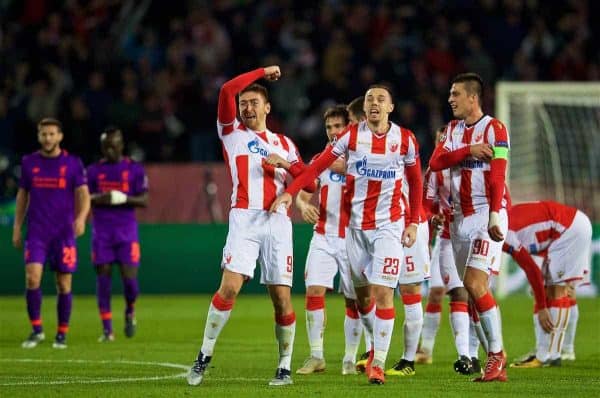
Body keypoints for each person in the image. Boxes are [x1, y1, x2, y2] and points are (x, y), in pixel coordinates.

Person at [271, 85, 423, 385]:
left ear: (391, 107)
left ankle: (377, 362)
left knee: (382, 293)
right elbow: (316, 166)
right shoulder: (350, 137)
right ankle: (366, 349)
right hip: (354, 231)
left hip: (388, 227)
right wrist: (291, 193)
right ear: (363, 110)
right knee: (362, 297)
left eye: (381, 99)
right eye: (369, 100)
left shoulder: (405, 139)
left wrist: (414, 221)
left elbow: (416, 181)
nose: (375, 103)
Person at [187, 66, 309, 387]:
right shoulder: (232, 134)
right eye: (244, 104)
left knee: (281, 298)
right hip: (244, 217)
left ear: (267, 107)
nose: (248, 108)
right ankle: (204, 355)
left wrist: (286, 171)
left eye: (254, 102)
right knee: (229, 287)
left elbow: (309, 180)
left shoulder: (284, 143)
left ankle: (284, 367)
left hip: (278, 223)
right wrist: (262, 72)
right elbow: (227, 89)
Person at [429, 72, 510, 382]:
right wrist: (467, 152)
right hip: (459, 218)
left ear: (473, 98)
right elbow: (436, 163)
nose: (450, 99)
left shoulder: (495, 129)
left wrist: (494, 215)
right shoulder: (451, 130)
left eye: (455, 94)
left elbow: (499, 174)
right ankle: (495, 361)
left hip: (486, 216)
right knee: (473, 292)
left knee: (475, 283)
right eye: (450, 93)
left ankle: (496, 355)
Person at [293, 105, 361, 376]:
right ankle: (316, 355)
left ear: (348, 128)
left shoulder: (361, 157)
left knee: (353, 301)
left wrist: (333, 162)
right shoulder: (319, 159)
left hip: (352, 239)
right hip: (322, 236)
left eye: (338, 127)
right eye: (329, 128)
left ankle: (349, 357)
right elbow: (303, 191)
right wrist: (301, 205)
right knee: (313, 292)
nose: (333, 132)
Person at [14, 117, 90, 349]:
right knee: (32, 278)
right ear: (39, 136)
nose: (47, 138)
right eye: (43, 134)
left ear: (60, 136)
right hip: (36, 232)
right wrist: (17, 226)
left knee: (64, 284)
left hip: (63, 233)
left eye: (51, 134)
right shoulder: (29, 163)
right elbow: (22, 196)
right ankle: (37, 330)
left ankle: (61, 333)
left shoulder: (73, 163)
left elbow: (84, 194)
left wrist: (81, 218)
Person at [409, 126, 477, 374]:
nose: (443, 147)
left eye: (446, 142)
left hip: (473, 235)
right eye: (440, 142)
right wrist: (432, 217)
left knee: (471, 293)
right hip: (445, 237)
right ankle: (428, 349)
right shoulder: (434, 173)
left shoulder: (474, 167)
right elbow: (425, 205)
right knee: (440, 292)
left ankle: (474, 352)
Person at [503, 201, 592, 368]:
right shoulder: (504, 219)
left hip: (569, 230)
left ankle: (551, 355)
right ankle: (550, 352)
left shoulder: (503, 233)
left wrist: (543, 307)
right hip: (566, 229)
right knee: (552, 290)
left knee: (557, 291)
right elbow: (541, 236)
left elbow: (531, 269)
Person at [87, 127, 148, 342]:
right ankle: (107, 329)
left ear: (121, 145)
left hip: (126, 233)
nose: (110, 150)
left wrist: (122, 198)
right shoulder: (94, 171)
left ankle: (130, 311)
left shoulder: (134, 169)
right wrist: (100, 198)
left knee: (130, 282)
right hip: (102, 233)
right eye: (106, 147)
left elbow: (144, 200)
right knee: (103, 279)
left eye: (114, 146)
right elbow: (84, 198)